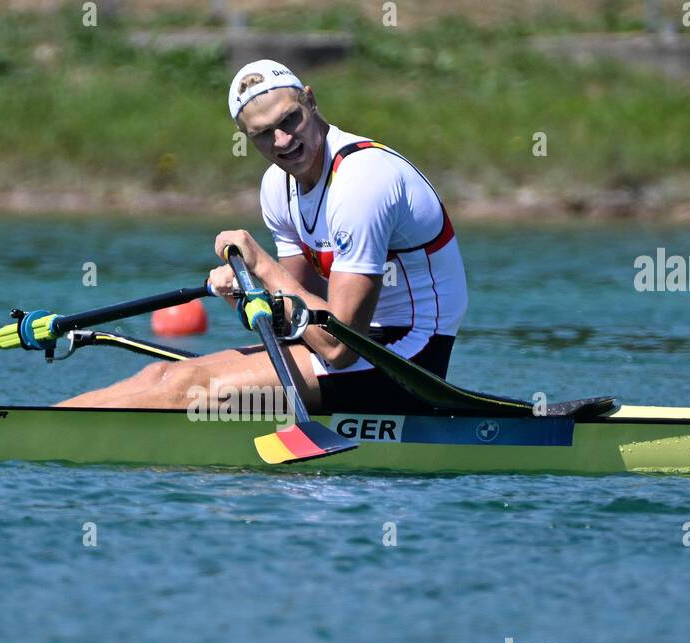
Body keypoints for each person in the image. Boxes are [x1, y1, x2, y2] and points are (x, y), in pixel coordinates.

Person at [59, 58, 469, 413]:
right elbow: (291, 315)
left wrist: (258, 263)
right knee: (160, 374)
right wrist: (243, 293)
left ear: (310, 99)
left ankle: (44, 435)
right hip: (356, 345)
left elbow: (337, 348)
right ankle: (44, 422)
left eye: (290, 119)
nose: (283, 141)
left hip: (408, 362)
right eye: (262, 134)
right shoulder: (278, 186)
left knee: (185, 388)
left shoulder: (362, 180)